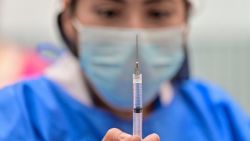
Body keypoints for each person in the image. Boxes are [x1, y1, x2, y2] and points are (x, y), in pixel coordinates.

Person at [0, 0, 249, 140]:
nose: (134, 34)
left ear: (185, 21)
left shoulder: (218, 116)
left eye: (158, 13)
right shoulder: (19, 115)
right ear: (68, 21)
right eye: (109, 12)